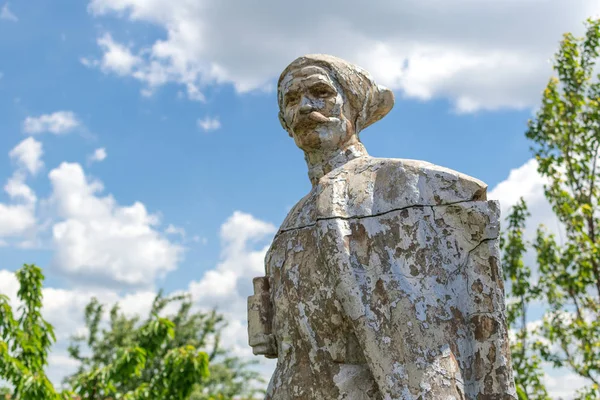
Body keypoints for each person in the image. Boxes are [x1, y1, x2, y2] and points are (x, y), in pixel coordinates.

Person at [248, 54, 516, 399]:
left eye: (320, 92)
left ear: (353, 106)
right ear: (284, 120)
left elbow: (473, 318)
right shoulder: (289, 228)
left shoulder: (409, 185)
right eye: (292, 99)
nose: (305, 106)